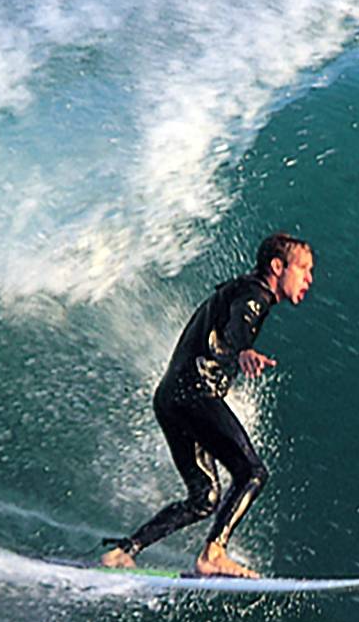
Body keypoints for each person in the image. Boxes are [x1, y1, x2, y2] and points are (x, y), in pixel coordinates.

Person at [100, 232, 315, 578]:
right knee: (253, 473)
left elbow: (230, 323)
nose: (309, 278)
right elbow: (237, 327)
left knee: (204, 498)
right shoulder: (254, 296)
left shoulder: (241, 289)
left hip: (171, 398)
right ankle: (214, 554)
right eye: (303, 268)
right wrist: (244, 350)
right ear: (278, 266)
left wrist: (238, 348)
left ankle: (125, 550)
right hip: (196, 394)